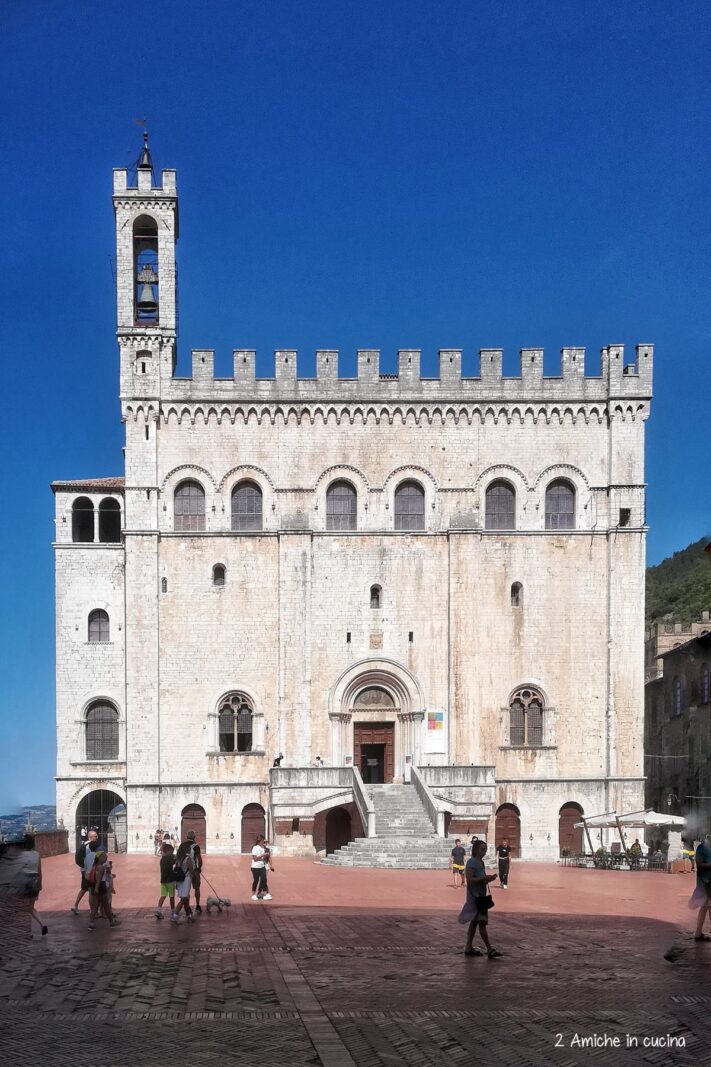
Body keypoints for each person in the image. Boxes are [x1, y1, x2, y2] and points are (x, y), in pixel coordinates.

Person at [458, 839, 502, 959]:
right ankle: (489, 949)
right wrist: (484, 879)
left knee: (475, 923)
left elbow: (479, 877)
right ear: (476, 849)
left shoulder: (480, 863)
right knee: (481, 923)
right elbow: (470, 879)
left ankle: (468, 947)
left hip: (481, 896)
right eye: (482, 849)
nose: (484, 851)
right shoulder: (472, 862)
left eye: (485, 849)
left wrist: (488, 878)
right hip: (476, 897)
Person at [87, 849, 119, 930]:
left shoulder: (94, 866)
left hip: (93, 886)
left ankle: (91, 923)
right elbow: (99, 879)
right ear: (100, 857)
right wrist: (97, 888)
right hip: (101, 887)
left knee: (95, 906)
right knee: (106, 905)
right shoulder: (101, 867)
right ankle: (111, 922)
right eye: (105, 856)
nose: (106, 857)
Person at [71, 829, 101, 914]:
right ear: (91, 837)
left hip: (84, 870)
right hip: (90, 870)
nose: (97, 837)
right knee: (92, 890)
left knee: (84, 888)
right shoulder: (90, 847)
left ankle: (76, 905)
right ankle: (93, 910)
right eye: (95, 836)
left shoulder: (84, 844)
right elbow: (92, 859)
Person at [689, 832, 711, 942]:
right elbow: (699, 864)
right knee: (706, 906)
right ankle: (697, 933)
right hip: (705, 882)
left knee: (706, 907)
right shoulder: (702, 848)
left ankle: (698, 933)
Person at [172, 841, 195, 922]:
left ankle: (189, 915)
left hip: (179, 880)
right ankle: (175, 915)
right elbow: (191, 870)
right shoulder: (187, 858)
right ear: (186, 850)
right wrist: (194, 874)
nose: (190, 850)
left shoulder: (178, 858)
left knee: (186, 897)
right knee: (184, 898)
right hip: (186, 879)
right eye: (189, 848)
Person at [155, 841, 177, 920]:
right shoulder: (170, 858)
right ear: (168, 851)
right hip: (170, 880)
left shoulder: (162, 859)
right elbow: (176, 861)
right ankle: (173, 911)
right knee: (171, 896)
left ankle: (159, 910)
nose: (172, 852)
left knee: (163, 895)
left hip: (163, 880)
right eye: (171, 851)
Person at [186, 830, 203, 913]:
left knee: (187, 889)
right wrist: (199, 868)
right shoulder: (196, 846)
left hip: (185, 871)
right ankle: (197, 905)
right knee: (197, 888)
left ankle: (188, 906)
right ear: (194, 837)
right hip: (195, 870)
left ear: (187, 837)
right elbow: (199, 860)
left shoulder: (182, 845)